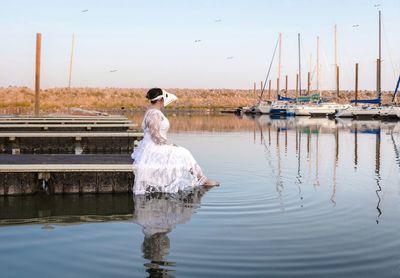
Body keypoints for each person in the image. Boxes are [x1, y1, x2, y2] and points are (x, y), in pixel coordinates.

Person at [131, 88, 218, 194]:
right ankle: (203, 180)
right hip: (154, 146)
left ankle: (202, 179)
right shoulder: (155, 114)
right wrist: (171, 144)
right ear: (161, 100)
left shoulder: (151, 112)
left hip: (154, 144)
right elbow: (155, 136)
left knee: (183, 153)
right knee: (184, 153)